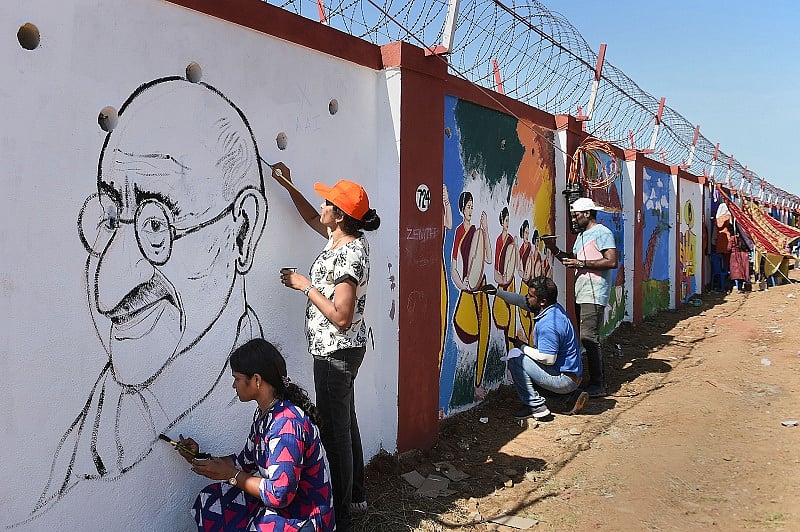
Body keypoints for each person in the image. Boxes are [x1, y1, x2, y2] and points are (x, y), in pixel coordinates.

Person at [25, 76, 268, 522]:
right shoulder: (101, 413)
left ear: (242, 230)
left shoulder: (259, 404)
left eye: (156, 226)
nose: (105, 284)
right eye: (107, 218)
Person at [272, 164, 379, 532]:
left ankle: (341, 516)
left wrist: (305, 285)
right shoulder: (338, 238)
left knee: (335, 432)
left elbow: (342, 316)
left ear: (340, 215)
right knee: (345, 422)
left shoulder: (349, 255)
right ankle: (357, 495)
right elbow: (307, 214)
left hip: (337, 353)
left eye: (328, 202)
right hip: (338, 351)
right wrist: (287, 183)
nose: (322, 204)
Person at [178, 338, 334, 531]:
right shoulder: (265, 415)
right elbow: (244, 462)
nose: (234, 385)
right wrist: (199, 457)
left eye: (237, 378)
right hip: (280, 504)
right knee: (211, 500)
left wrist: (230, 475)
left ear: (257, 380)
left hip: (303, 515)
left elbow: (280, 494)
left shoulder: (287, 424)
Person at [543, 197, 617, 398]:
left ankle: (598, 384)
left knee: (588, 338)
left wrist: (581, 263)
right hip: (582, 292)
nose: (574, 219)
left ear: (587, 214)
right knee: (585, 337)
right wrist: (553, 248)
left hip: (594, 292)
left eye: (576, 215)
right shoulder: (582, 235)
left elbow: (611, 261)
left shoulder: (602, 232)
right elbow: (572, 259)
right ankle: (591, 380)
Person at [493, 276, 588, 419]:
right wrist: (496, 292)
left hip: (564, 380)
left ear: (542, 301)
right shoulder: (552, 309)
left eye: (530, 296)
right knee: (528, 364)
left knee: (516, 359)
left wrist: (522, 347)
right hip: (571, 376)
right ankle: (569, 397)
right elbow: (520, 301)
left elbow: (547, 359)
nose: (527, 298)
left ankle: (535, 406)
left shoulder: (548, 324)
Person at [450, 191, 492, 399]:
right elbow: (454, 265)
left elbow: (489, 259)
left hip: (481, 287)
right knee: (470, 336)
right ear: (461, 209)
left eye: (472, 207)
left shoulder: (477, 231)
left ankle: (478, 384)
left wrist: (484, 230)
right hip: (468, 290)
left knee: (485, 333)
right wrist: (462, 284)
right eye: (468, 207)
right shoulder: (459, 232)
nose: (470, 211)